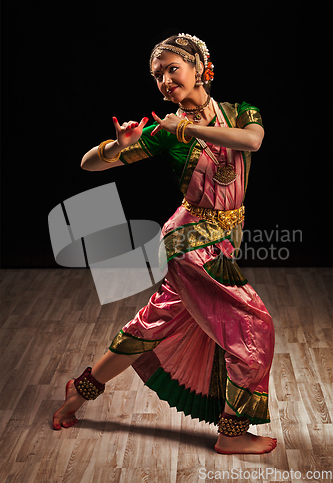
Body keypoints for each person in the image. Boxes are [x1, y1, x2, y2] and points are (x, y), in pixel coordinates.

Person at [53, 33, 277, 455]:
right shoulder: (162, 132)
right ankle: (231, 434)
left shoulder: (239, 112)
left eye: (173, 68)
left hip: (217, 242)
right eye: (157, 75)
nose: (165, 80)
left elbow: (252, 141)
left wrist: (188, 128)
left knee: (153, 325)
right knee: (254, 326)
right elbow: (88, 164)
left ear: (199, 66)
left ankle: (78, 392)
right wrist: (117, 148)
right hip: (191, 243)